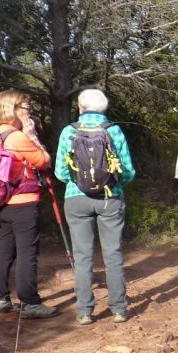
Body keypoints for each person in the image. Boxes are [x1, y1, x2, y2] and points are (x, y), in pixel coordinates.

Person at [55, 88, 137, 326]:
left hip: (75, 198)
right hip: (110, 198)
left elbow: (61, 172)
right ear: (104, 108)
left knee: (82, 256)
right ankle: (119, 309)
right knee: (113, 254)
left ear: (80, 107)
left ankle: (84, 311)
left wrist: (78, 183)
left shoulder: (69, 132)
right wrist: (113, 184)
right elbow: (128, 171)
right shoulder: (114, 131)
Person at [0, 89, 59, 319]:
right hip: (22, 202)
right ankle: (30, 303)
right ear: (13, 109)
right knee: (27, 252)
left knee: (3, 250)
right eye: (27, 108)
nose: (30, 112)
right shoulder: (17, 137)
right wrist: (33, 134)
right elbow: (44, 161)